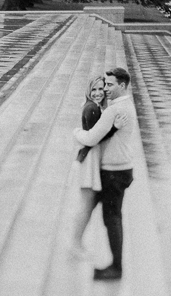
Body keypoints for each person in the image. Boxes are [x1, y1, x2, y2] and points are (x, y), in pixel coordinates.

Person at [74, 67, 137, 281]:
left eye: (110, 85)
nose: (107, 89)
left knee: (112, 218)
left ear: (122, 85)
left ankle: (116, 268)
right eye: (105, 85)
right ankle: (77, 244)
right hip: (122, 168)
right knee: (102, 211)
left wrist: (76, 133)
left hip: (114, 171)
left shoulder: (113, 111)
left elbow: (91, 138)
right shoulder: (127, 105)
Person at [70, 75, 122, 258]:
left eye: (101, 89)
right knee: (86, 204)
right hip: (89, 159)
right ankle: (75, 245)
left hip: (91, 158)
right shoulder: (92, 108)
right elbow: (96, 137)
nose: (98, 93)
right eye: (94, 90)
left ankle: (77, 243)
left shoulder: (94, 107)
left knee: (88, 204)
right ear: (88, 91)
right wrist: (115, 128)